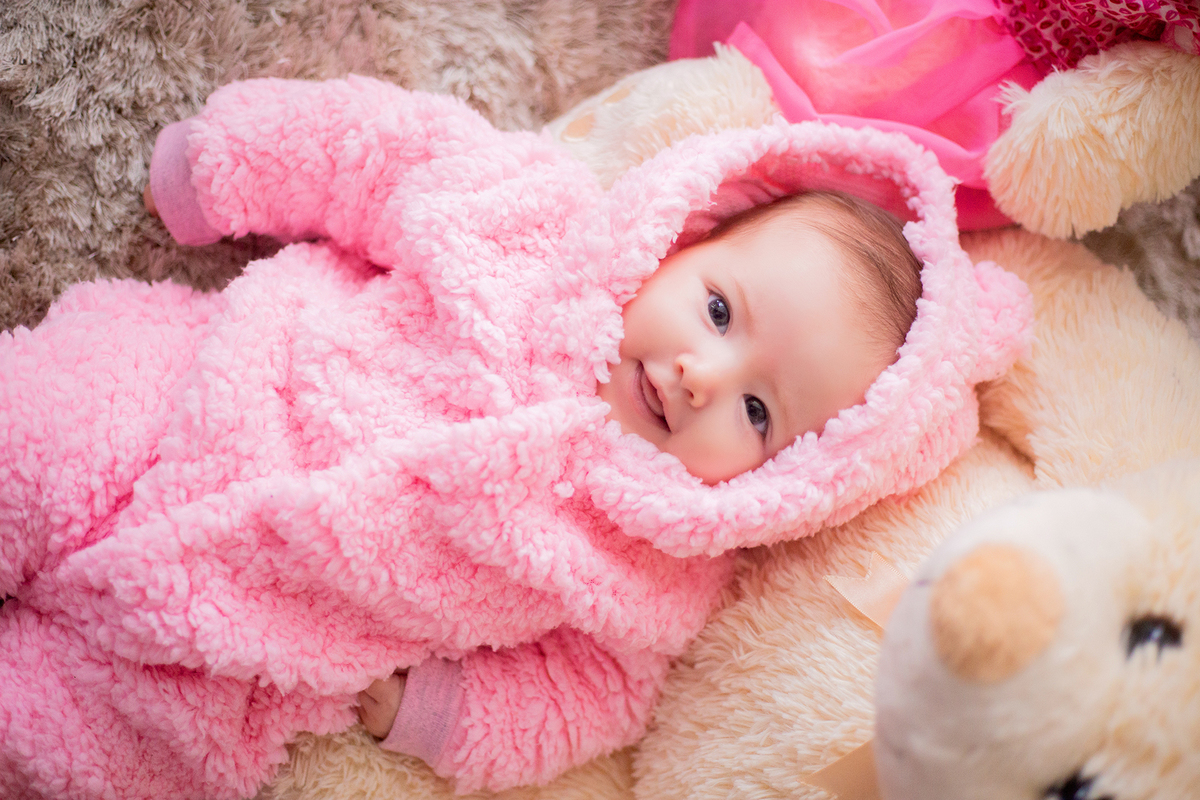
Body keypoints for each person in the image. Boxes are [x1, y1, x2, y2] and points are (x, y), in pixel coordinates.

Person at [0, 74, 1030, 800]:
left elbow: (585, 697)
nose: (699, 376)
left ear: (793, 480)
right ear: (686, 237)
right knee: (25, 439)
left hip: (227, 659)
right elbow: (378, 153)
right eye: (718, 312)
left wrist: (438, 710)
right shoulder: (527, 218)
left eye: (759, 413)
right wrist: (229, 166)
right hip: (176, 394)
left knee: (57, 750)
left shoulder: (658, 577)